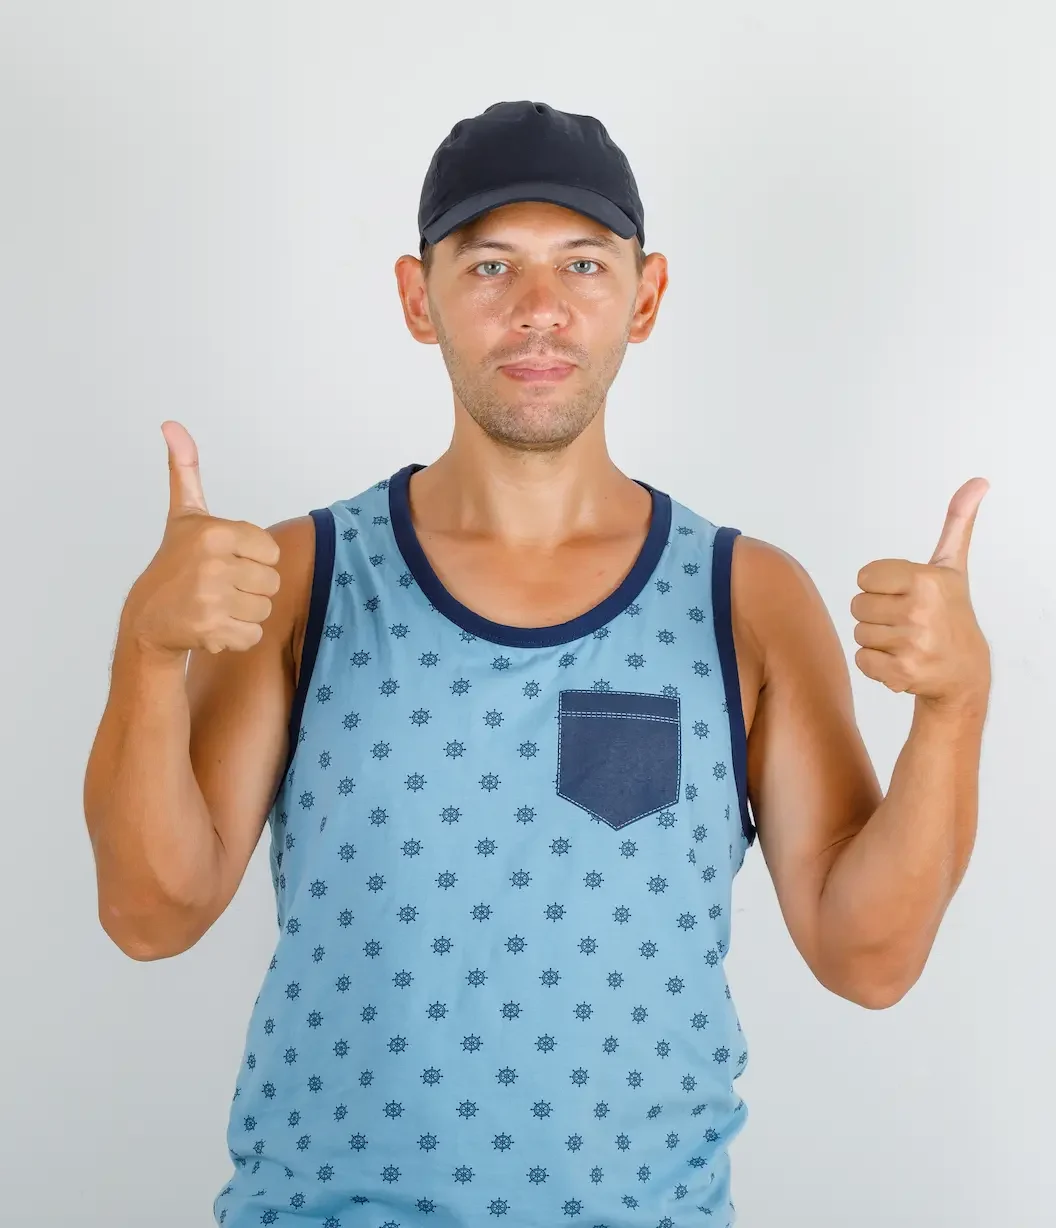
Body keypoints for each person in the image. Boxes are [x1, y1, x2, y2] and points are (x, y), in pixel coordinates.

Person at [83, 100, 991, 1228]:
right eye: (491, 266)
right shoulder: (300, 576)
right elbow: (148, 914)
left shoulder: (749, 598)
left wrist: (954, 708)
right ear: (419, 299)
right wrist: (149, 648)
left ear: (645, 296)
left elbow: (872, 959)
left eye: (583, 264)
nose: (541, 310)